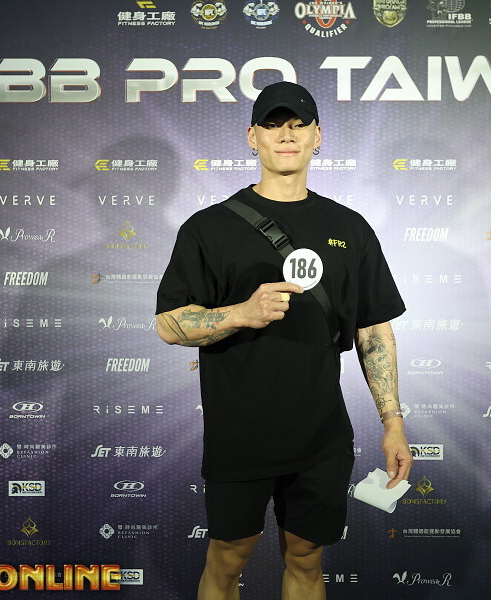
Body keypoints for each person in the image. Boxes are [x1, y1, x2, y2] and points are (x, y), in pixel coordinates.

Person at [155, 81, 412, 600]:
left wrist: (393, 422)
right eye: (272, 125)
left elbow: (372, 330)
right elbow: (168, 323)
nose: (286, 135)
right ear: (253, 137)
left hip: (321, 438)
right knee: (227, 560)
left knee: (306, 558)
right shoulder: (209, 228)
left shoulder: (350, 228)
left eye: (298, 124)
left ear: (318, 136)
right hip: (240, 435)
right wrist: (241, 313)